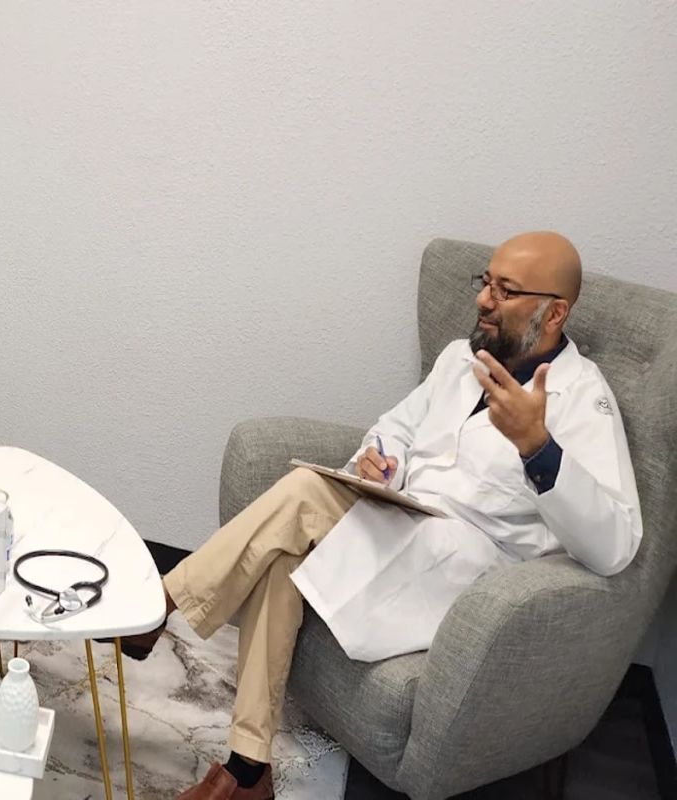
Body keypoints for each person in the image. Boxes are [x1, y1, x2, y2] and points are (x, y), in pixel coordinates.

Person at [123, 232, 642, 800]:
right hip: (401, 518)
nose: (483, 299)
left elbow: (616, 544)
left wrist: (537, 446)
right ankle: (248, 770)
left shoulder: (582, 398)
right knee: (284, 552)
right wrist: (380, 461)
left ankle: (158, 605)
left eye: (505, 290)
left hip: (467, 567)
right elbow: (395, 427)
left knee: (302, 498)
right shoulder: (460, 359)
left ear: (555, 312)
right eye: (486, 282)